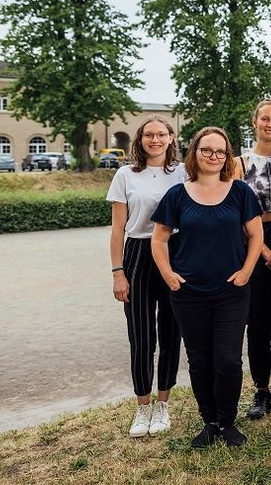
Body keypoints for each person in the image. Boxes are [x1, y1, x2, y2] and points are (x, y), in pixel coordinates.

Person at [150, 127, 263, 448]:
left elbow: (256, 236)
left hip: (231, 292)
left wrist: (246, 270)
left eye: (220, 152)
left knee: (228, 359)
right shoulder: (177, 195)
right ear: (194, 153)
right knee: (200, 359)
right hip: (189, 294)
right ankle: (210, 422)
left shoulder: (240, 191)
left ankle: (228, 422)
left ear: (227, 157)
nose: (214, 157)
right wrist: (169, 275)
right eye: (207, 150)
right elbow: (159, 239)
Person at [107, 115, 186, 438]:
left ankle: (163, 404)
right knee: (141, 337)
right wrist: (117, 272)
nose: (155, 140)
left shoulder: (182, 173)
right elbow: (117, 228)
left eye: (161, 134)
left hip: (173, 252)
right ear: (140, 140)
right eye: (149, 135)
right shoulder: (126, 174)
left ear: (170, 138)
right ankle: (142, 407)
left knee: (170, 335)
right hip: (138, 254)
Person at [232, 99, 271, 420]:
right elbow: (234, 211)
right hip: (252, 240)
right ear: (254, 121)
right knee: (256, 322)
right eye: (265, 119)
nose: (270, 124)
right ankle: (260, 388)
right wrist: (262, 250)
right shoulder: (239, 163)